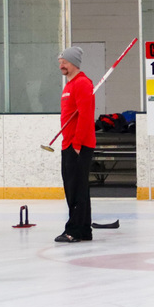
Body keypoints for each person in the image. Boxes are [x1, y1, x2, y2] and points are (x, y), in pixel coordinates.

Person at [55, 46, 95, 243]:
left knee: (76, 188)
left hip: (77, 145)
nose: (61, 64)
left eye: (65, 61)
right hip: (68, 143)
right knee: (74, 187)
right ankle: (84, 229)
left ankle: (74, 230)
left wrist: (77, 143)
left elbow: (86, 116)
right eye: (60, 60)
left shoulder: (82, 84)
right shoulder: (69, 85)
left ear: (74, 63)